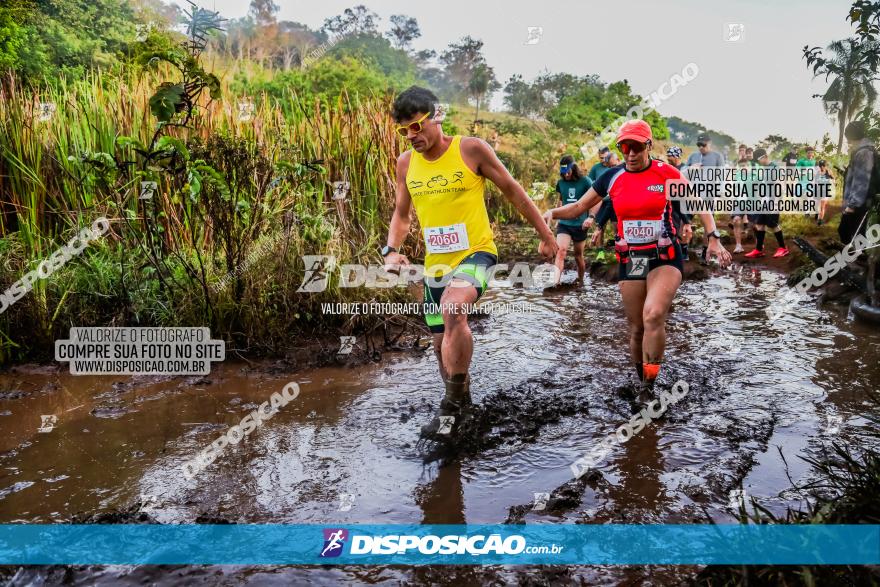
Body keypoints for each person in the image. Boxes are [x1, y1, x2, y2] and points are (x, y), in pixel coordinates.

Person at [382, 86, 558, 441]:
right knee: (438, 345)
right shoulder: (406, 164)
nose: (412, 137)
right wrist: (390, 250)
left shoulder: (471, 149)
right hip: (436, 264)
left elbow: (513, 191)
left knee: (453, 307)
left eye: (417, 126)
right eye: (404, 131)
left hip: (476, 251)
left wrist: (546, 235)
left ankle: (451, 406)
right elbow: (402, 216)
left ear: (437, 116)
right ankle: (463, 408)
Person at [543, 120, 731, 402]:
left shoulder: (666, 173)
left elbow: (697, 202)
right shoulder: (612, 177)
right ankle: (641, 376)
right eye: (625, 147)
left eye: (636, 147)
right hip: (632, 259)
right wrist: (551, 213)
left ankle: (648, 388)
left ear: (649, 146)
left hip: (665, 257)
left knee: (653, 314)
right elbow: (579, 207)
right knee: (636, 328)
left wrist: (713, 237)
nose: (630, 153)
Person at [550, 155, 592, 283]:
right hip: (565, 223)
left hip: (580, 224)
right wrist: (557, 218)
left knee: (578, 256)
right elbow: (561, 202)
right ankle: (555, 283)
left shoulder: (586, 181)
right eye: (564, 172)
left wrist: (590, 218)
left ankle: (580, 281)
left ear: (573, 168)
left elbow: (593, 200)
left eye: (568, 171)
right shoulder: (560, 183)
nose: (566, 174)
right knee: (561, 251)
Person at [744, 148, 790, 258]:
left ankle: (783, 248)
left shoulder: (774, 167)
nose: (758, 162)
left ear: (764, 157)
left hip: (773, 201)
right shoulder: (764, 169)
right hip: (764, 201)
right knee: (760, 224)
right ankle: (759, 250)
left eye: (759, 159)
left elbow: (779, 185)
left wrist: (776, 202)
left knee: (773, 225)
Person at [839, 120, 875, 245]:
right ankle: (853, 260)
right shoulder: (862, 151)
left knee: (850, 234)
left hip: (858, 204)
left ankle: (855, 262)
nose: (848, 141)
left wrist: (852, 205)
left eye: (849, 137)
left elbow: (862, 181)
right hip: (857, 202)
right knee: (850, 234)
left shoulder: (864, 152)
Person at [665, 146, 693, 257]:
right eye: (667, 156)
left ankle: (684, 251)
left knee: (684, 226)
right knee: (673, 227)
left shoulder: (684, 169)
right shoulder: (667, 168)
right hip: (671, 203)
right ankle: (676, 250)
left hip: (684, 203)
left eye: (670, 156)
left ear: (677, 156)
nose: (668, 158)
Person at [816, 159, 834, 226]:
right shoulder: (817, 173)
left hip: (825, 191)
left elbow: (833, 180)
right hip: (818, 191)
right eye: (820, 165)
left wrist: (833, 182)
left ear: (825, 166)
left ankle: (819, 221)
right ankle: (818, 216)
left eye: (823, 165)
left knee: (822, 207)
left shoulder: (828, 172)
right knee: (818, 206)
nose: (822, 167)